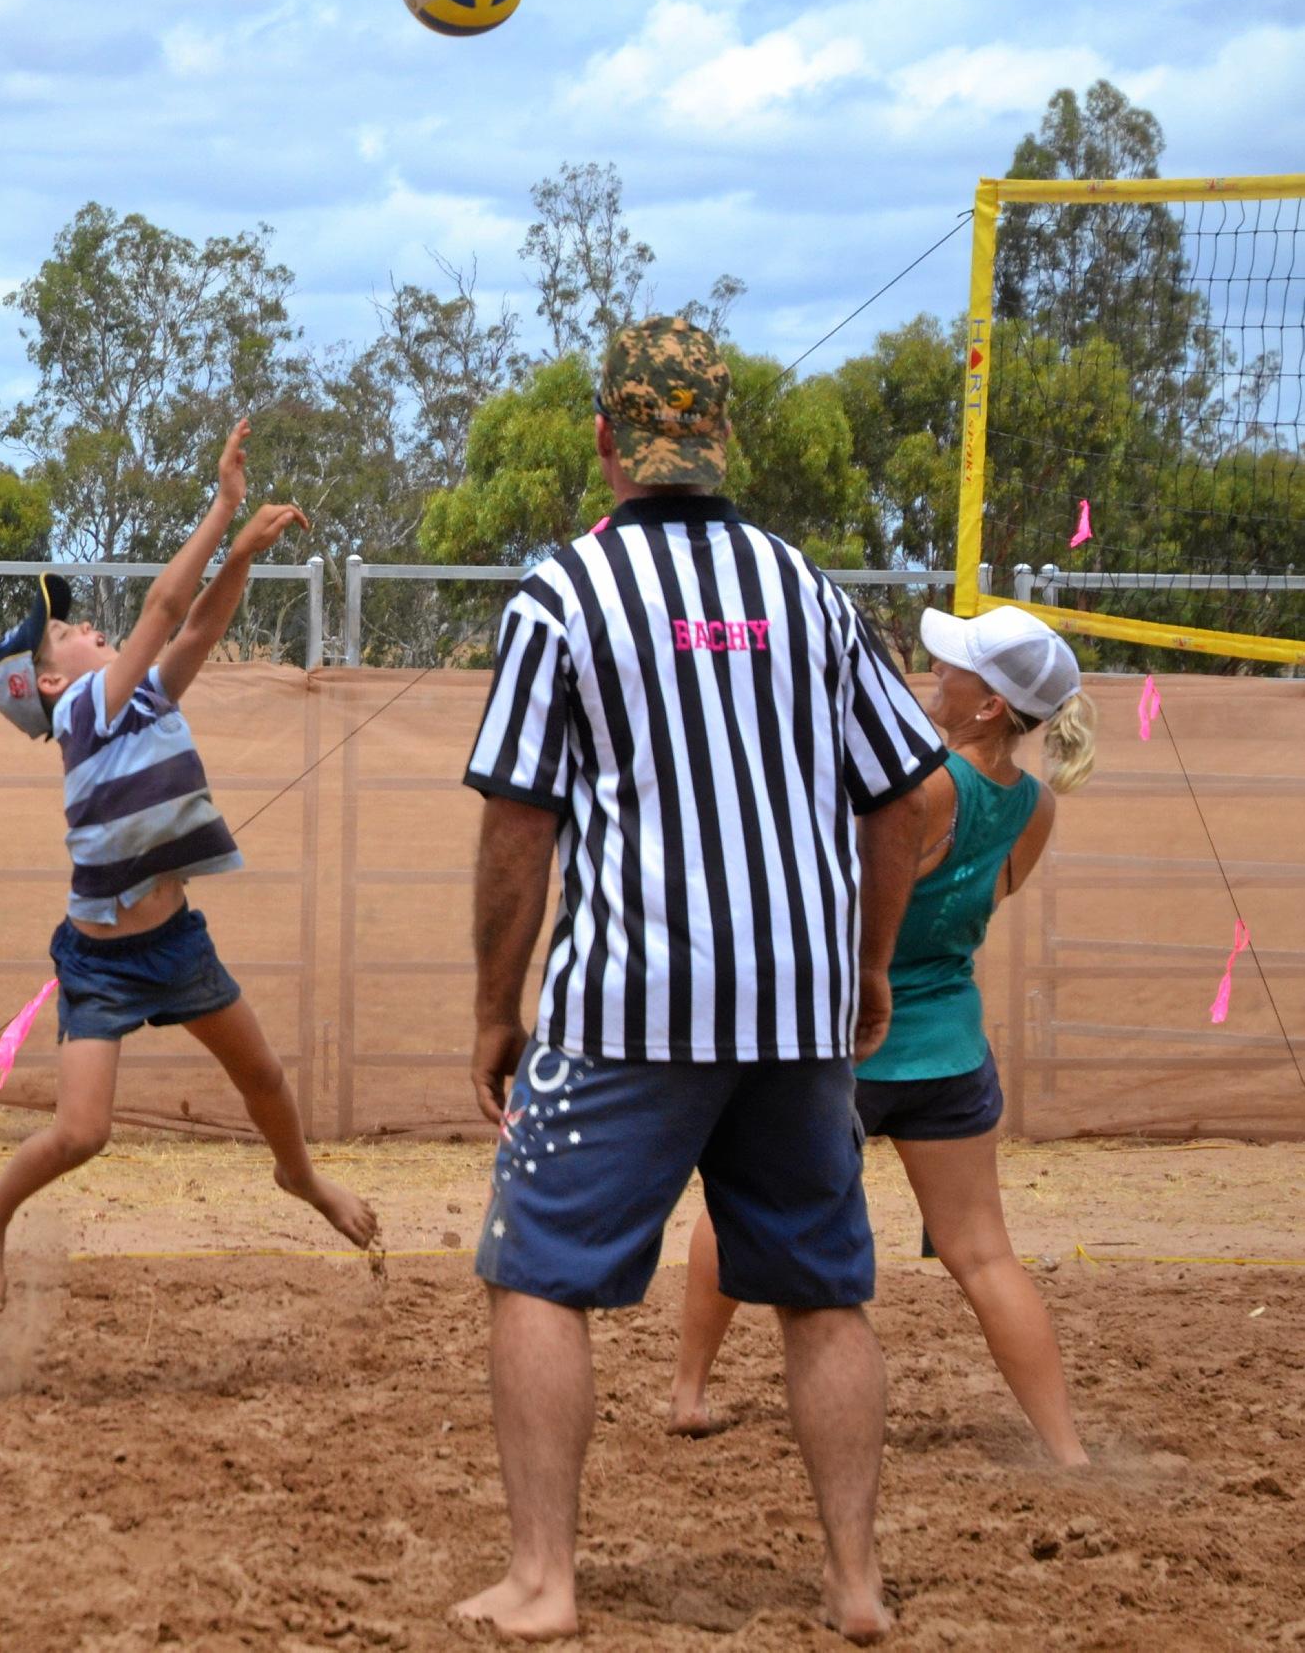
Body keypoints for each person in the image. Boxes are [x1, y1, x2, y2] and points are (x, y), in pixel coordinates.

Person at [457, 317, 944, 1643]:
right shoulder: (802, 586)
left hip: (628, 1004)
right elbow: (912, 793)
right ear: (719, 435)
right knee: (821, 1293)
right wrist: (863, 967)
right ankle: (852, 1585)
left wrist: (497, 1011)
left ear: (609, 440)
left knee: (538, 1276)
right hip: (795, 1010)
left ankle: (544, 1582)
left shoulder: (565, 594)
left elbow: (516, 831)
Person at [0, 417, 378, 1310]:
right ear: (46, 684)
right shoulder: (81, 715)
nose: (89, 627)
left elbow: (195, 627)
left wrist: (244, 554)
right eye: (68, 630)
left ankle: (300, 1176)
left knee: (263, 1077)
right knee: (83, 1135)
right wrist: (224, 506)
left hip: (175, 944)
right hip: (103, 963)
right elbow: (161, 612)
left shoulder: (132, 697)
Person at [668, 605, 1096, 1467]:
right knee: (984, 1257)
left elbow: (837, 898)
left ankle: (687, 1392)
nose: (939, 672)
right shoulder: (1036, 805)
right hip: (950, 1047)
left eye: (955, 669)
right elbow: (978, 902)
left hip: (849, 1041)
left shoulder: (923, 787)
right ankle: (1069, 1451)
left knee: (738, 1198)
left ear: (988, 706)